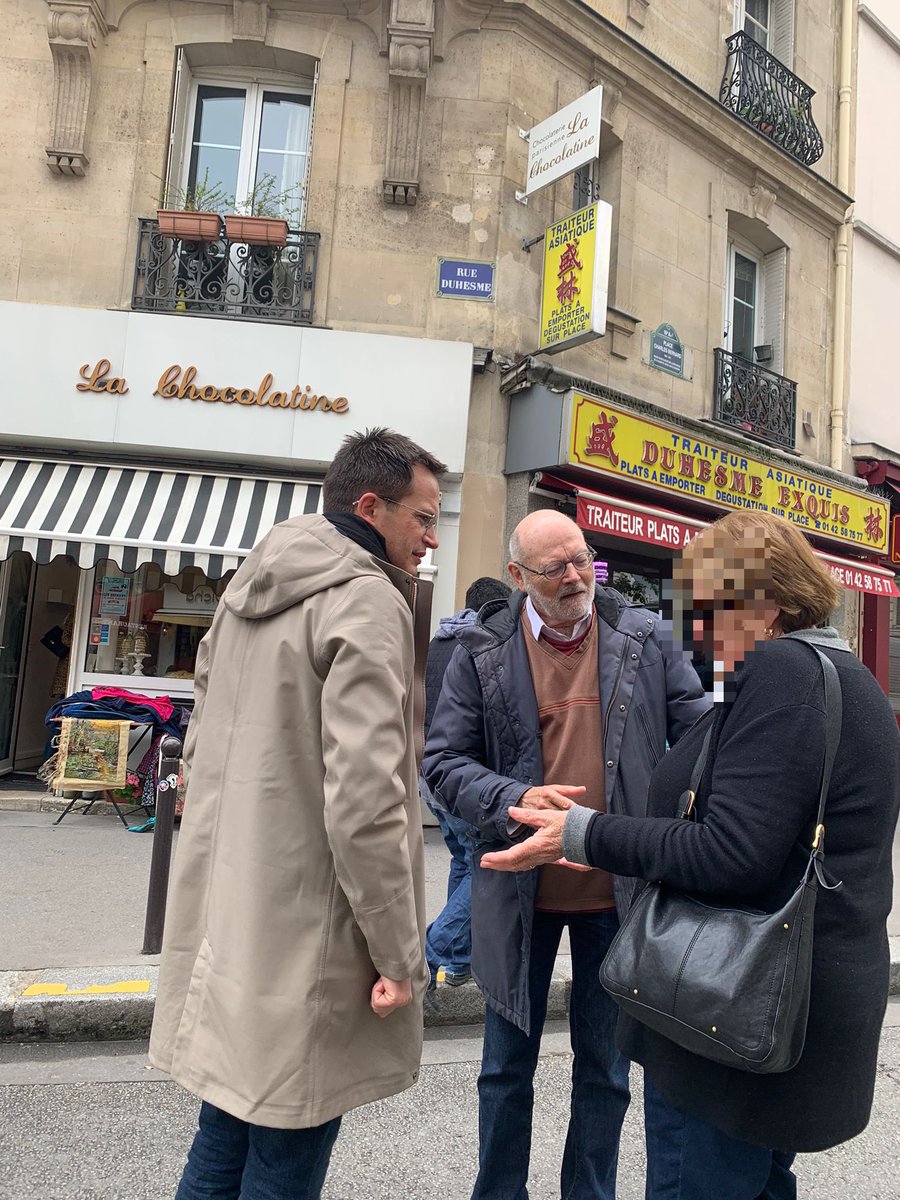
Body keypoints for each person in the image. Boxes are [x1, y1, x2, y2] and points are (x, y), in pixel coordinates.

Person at [481, 510, 900, 1200]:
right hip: (788, 1006)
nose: (697, 634)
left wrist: (582, 833)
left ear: (762, 606)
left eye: (706, 610)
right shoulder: (846, 678)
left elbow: (731, 850)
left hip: (731, 1008)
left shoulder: (784, 673)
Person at [149, 427, 446, 1200]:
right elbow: (367, 801)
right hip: (314, 934)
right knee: (288, 1149)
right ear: (372, 507)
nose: (431, 537)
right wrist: (395, 950)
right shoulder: (366, 601)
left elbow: (201, 748)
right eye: (422, 517)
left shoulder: (249, 590)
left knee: (224, 1133)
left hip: (234, 918)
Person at [422, 509, 709, 1200]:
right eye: (556, 568)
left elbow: (698, 731)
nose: (576, 576)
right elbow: (442, 760)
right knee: (504, 1069)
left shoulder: (642, 636)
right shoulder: (481, 648)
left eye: (582, 559)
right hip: (518, 885)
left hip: (619, 887)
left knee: (606, 1072)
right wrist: (515, 797)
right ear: (520, 577)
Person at [422, 576, 512, 988]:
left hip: (431, 773)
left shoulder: (439, 642)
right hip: (465, 778)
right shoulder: (482, 644)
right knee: (488, 868)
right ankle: (432, 951)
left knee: (463, 860)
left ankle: (458, 963)